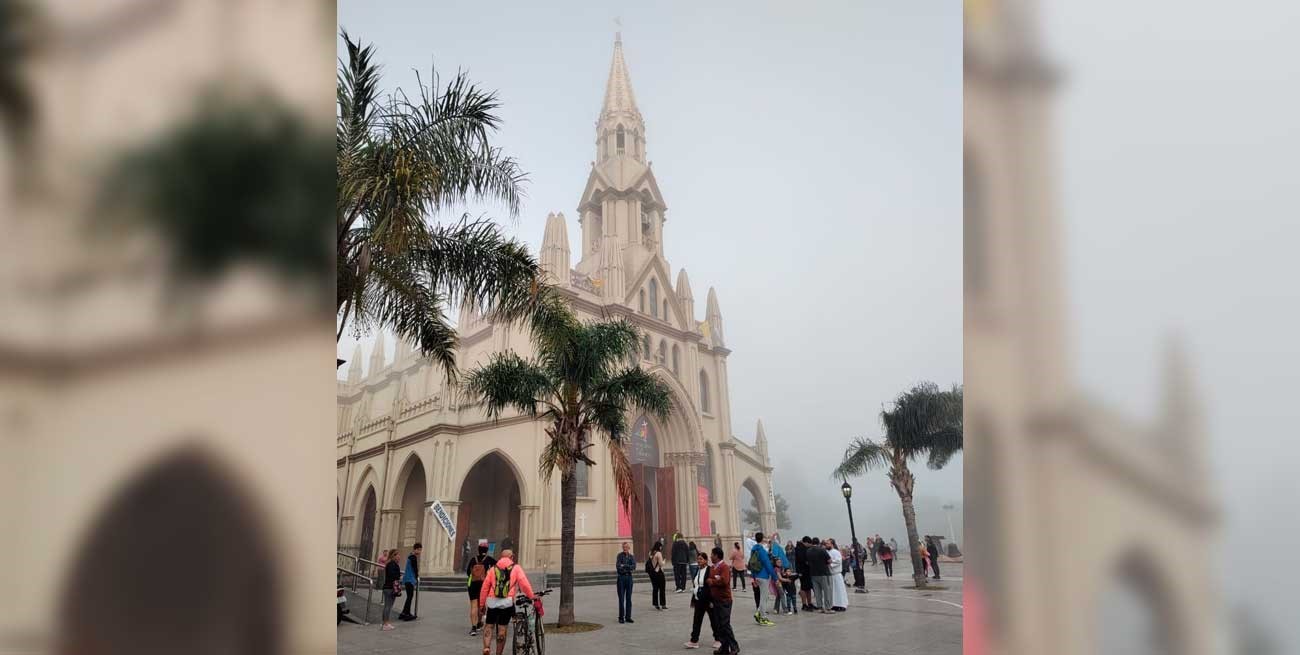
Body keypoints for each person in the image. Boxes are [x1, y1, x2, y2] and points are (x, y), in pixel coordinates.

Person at [478, 549, 534, 655]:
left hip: (492, 602)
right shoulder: (516, 568)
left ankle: (486, 648)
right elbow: (524, 584)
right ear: (511, 557)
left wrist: (481, 604)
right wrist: (531, 596)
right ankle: (498, 653)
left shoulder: (493, 569)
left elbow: (485, 587)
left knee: (489, 625)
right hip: (507, 602)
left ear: (500, 557)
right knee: (502, 628)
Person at [706, 547, 739, 655]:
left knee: (725, 624)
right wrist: (715, 580)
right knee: (719, 625)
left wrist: (713, 581)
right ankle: (724, 647)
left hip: (724, 600)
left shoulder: (724, 567)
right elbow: (711, 580)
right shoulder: (712, 568)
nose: (710, 556)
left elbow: (724, 581)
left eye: (712, 554)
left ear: (717, 555)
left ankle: (734, 647)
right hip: (715, 600)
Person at [685, 552, 719, 650]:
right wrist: (693, 599)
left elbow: (711, 586)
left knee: (714, 620)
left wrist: (712, 600)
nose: (699, 561)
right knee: (696, 621)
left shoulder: (710, 570)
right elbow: (695, 585)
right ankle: (694, 641)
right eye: (698, 559)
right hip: (698, 600)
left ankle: (718, 639)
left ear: (705, 560)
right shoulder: (697, 570)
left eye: (701, 559)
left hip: (708, 600)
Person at [465, 542, 496, 636]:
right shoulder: (489, 559)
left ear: (478, 549)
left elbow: (467, 572)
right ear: (486, 550)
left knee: (474, 605)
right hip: (484, 585)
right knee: (481, 604)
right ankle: (479, 623)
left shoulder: (473, 559)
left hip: (472, 585)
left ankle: (474, 628)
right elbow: (499, 567)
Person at [747, 531, 776, 625]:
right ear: (762, 538)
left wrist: (753, 576)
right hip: (763, 576)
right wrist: (775, 577)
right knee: (764, 598)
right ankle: (763, 618)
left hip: (757, 576)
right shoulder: (761, 550)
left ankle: (758, 613)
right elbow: (767, 564)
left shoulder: (753, 550)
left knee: (764, 596)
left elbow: (751, 563)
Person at [806, 538, 833, 613]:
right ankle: (828, 608)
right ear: (818, 543)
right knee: (827, 591)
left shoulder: (808, 551)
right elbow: (829, 560)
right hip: (824, 573)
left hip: (813, 574)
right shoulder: (822, 550)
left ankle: (820, 607)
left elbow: (807, 562)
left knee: (817, 592)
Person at [380, 548, 402, 631]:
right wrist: (399, 577)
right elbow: (393, 576)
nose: (399, 556)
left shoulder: (391, 564)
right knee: (388, 606)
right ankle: (385, 624)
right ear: (393, 556)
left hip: (388, 587)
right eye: (397, 555)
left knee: (388, 606)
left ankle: (385, 623)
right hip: (390, 588)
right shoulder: (392, 564)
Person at [616, 541, 636, 624]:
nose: (625, 548)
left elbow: (634, 567)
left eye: (627, 547)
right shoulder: (619, 556)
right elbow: (618, 567)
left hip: (629, 578)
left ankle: (628, 617)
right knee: (621, 599)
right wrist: (627, 567)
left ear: (629, 548)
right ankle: (621, 617)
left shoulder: (631, 557)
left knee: (629, 598)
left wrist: (624, 566)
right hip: (621, 578)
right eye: (624, 547)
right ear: (622, 548)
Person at [827, 539, 848, 611]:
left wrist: (830, 563)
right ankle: (834, 604)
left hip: (836, 574)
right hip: (830, 575)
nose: (827, 545)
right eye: (826, 543)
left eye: (828, 543)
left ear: (832, 544)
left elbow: (839, 561)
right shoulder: (827, 552)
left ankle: (842, 605)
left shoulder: (836, 552)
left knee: (839, 590)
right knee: (832, 591)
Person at [794, 536, 813, 611]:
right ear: (805, 542)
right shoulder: (799, 548)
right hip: (802, 571)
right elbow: (802, 559)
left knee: (808, 587)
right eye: (809, 544)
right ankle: (804, 604)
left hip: (806, 570)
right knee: (803, 588)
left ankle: (809, 603)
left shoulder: (804, 548)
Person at [649, 540, 669, 610]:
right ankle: (663, 604)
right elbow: (661, 564)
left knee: (655, 589)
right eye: (661, 546)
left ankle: (655, 604)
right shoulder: (659, 553)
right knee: (662, 589)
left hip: (653, 573)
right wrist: (664, 561)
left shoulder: (651, 553)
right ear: (659, 547)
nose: (661, 548)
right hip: (659, 573)